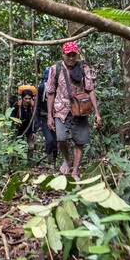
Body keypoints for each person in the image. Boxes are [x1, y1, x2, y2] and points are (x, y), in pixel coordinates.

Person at [46, 41, 101, 179]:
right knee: (61, 138)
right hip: (61, 109)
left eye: (73, 55)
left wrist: (97, 113)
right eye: (68, 55)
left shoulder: (83, 68)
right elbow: (51, 92)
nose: (71, 58)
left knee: (80, 140)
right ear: (63, 54)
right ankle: (66, 160)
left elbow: (90, 90)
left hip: (80, 108)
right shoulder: (55, 69)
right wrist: (49, 116)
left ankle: (75, 170)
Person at [35, 67, 58, 166]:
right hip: (44, 119)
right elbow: (37, 106)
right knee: (49, 140)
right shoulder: (41, 89)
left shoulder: (59, 88)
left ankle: (55, 162)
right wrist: (36, 121)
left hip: (57, 118)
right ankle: (50, 161)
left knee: (56, 141)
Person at [11, 87, 37, 162]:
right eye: (26, 98)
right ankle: (19, 163)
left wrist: (34, 132)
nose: (28, 100)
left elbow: (35, 120)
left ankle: (30, 163)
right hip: (19, 129)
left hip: (30, 129)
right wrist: (14, 122)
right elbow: (11, 116)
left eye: (29, 98)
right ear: (22, 98)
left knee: (31, 147)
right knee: (18, 147)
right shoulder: (17, 105)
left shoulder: (33, 106)